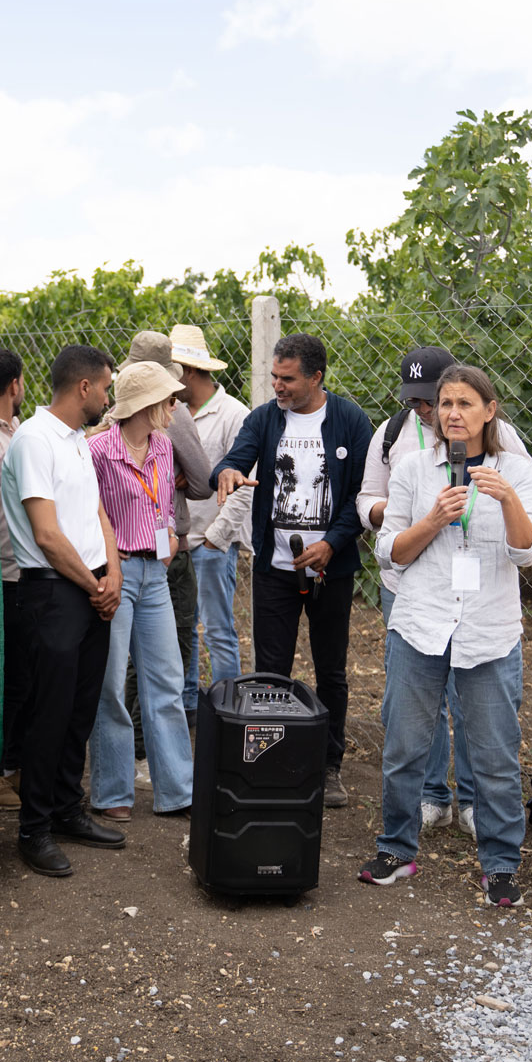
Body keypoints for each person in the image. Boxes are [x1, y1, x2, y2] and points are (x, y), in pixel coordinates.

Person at [361, 364, 532, 908]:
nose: (453, 414)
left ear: (489, 411)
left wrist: (508, 499)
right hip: (420, 624)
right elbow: (390, 550)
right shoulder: (416, 468)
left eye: (465, 403)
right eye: (445, 404)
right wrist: (433, 520)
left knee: (494, 754)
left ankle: (500, 866)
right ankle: (396, 850)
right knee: (404, 747)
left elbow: (527, 552)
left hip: (488, 630)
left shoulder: (517, 470)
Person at [212, 333, 374, 807]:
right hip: (275, 570)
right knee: (270, 673)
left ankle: (329, 766)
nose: (278, 387)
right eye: (274, 378)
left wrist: (331, 543)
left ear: (316, 377)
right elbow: (234, 460)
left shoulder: (348, 420)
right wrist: (225, 472)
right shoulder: (264, 420)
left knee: (331, 671)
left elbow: (358, 496)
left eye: (287, 379)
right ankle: (273, 761)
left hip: (331, 570)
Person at [0, 344, 126, 877]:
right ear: (83, 389)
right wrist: (93, 584)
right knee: (47, 715)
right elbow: (47, 535)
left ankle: (68, 809)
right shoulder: (33, 440)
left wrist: (112, 573)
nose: (107, 396)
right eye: (105, 388)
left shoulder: (76, 440)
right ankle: (34, 830)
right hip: (52, 592)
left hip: (89, 588)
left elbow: (97, 511)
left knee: (80, 708)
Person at [87, 361, 197, 821]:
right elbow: (90, 513)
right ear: (147, 405)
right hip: (117, 573)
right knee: (111, 684)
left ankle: (178, 791)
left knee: (167, 680)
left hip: (155, 574)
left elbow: (164, 505)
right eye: (169, 400)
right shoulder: (97, 451)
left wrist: (169, 533)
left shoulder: (165, 447)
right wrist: (110, 566)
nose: (176, 407)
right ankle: (112, 792)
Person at [117, 331, 211, 781]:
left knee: (130, 657)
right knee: (168, 652)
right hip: (165, 553)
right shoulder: (174, 420)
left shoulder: (107, 428)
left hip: (122, 551)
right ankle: (145, 752)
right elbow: (201, 482)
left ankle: (135, 753)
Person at [173, 323, 251, 710]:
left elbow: (243, 487)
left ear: (187, 371)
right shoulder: (171, 412)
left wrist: (218, 538)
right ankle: (188, 704)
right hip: (179, 541)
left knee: (218, 630)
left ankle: (225, 709)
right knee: (184, 630)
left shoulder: (233, 414)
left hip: (211, 541)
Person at [0, 347, 26, 811]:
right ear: (14, 385)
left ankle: (13, 768)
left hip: (22, 570)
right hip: (2, 573)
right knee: (5, 680)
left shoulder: (17, 430)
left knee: (22, 678)